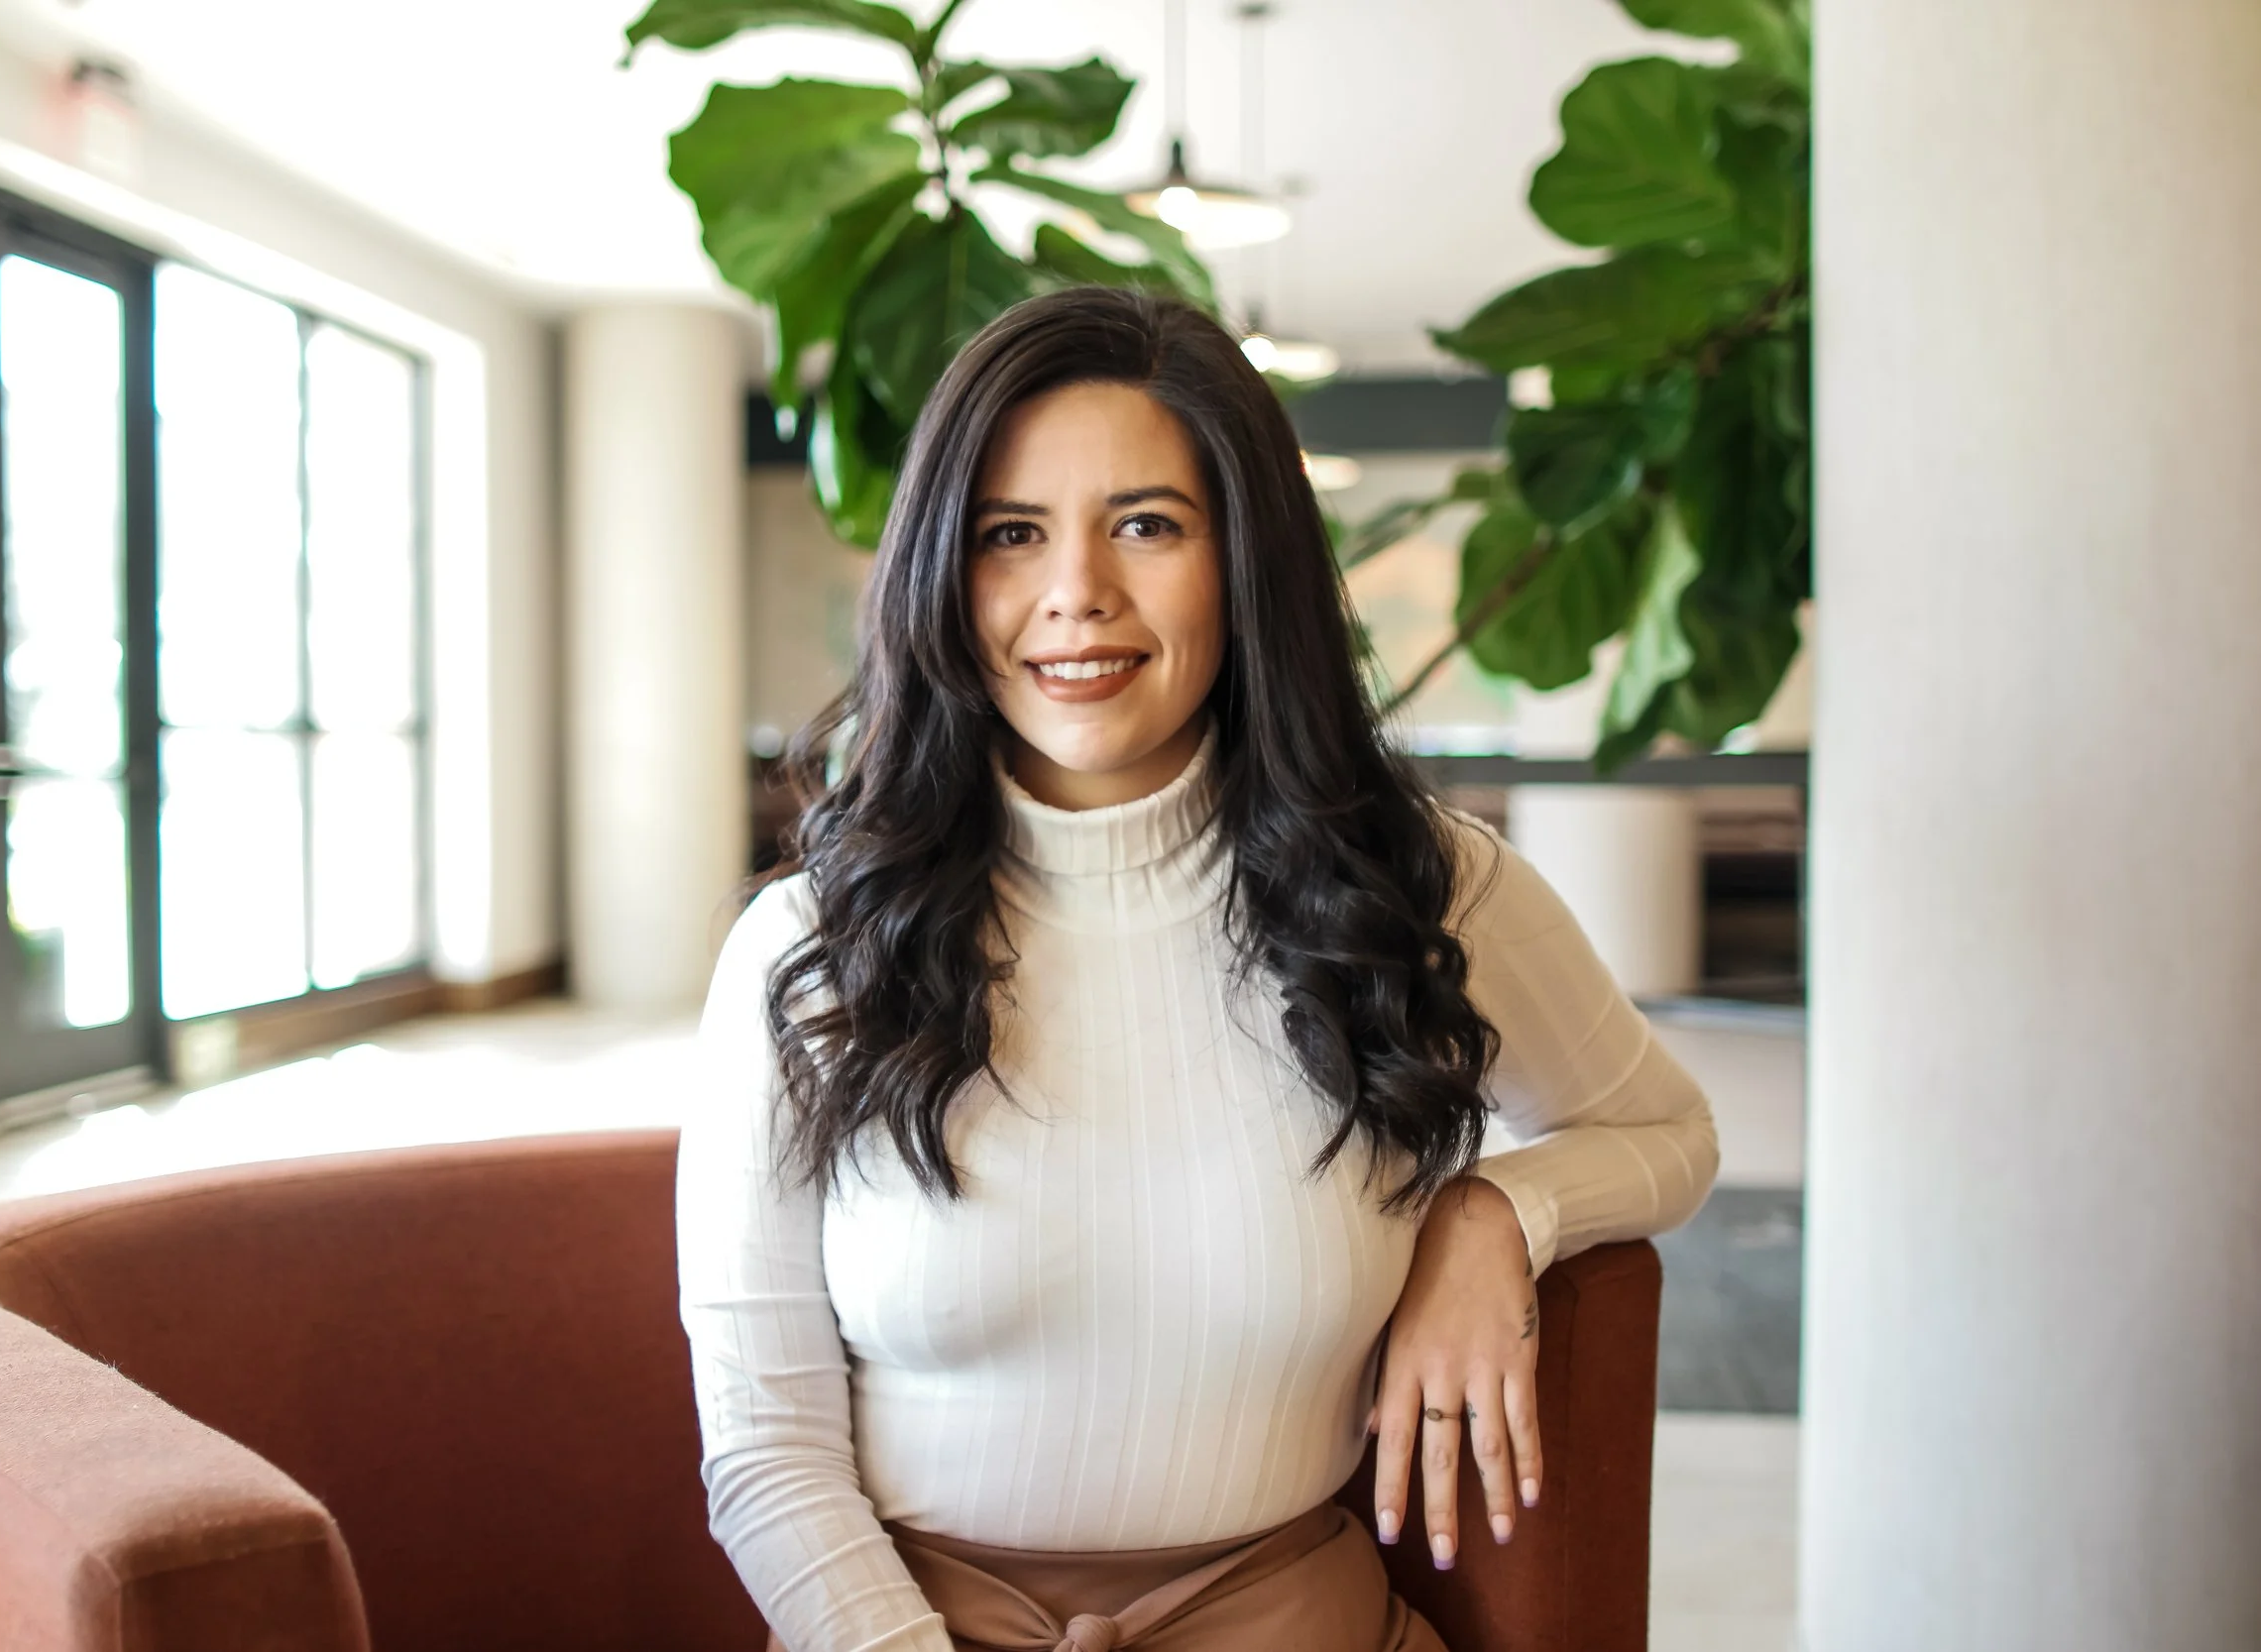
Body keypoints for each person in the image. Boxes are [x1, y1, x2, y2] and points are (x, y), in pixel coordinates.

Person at [678, 286, 1717, 1652]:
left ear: (1246, 560)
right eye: (1011, 534)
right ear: (944, 570)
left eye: (1148, 526)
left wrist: (1493, 1213)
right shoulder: (809, 946)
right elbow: (764, 1444)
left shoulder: (1417, 887)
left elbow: (1669, 1131)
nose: (1075, 597)